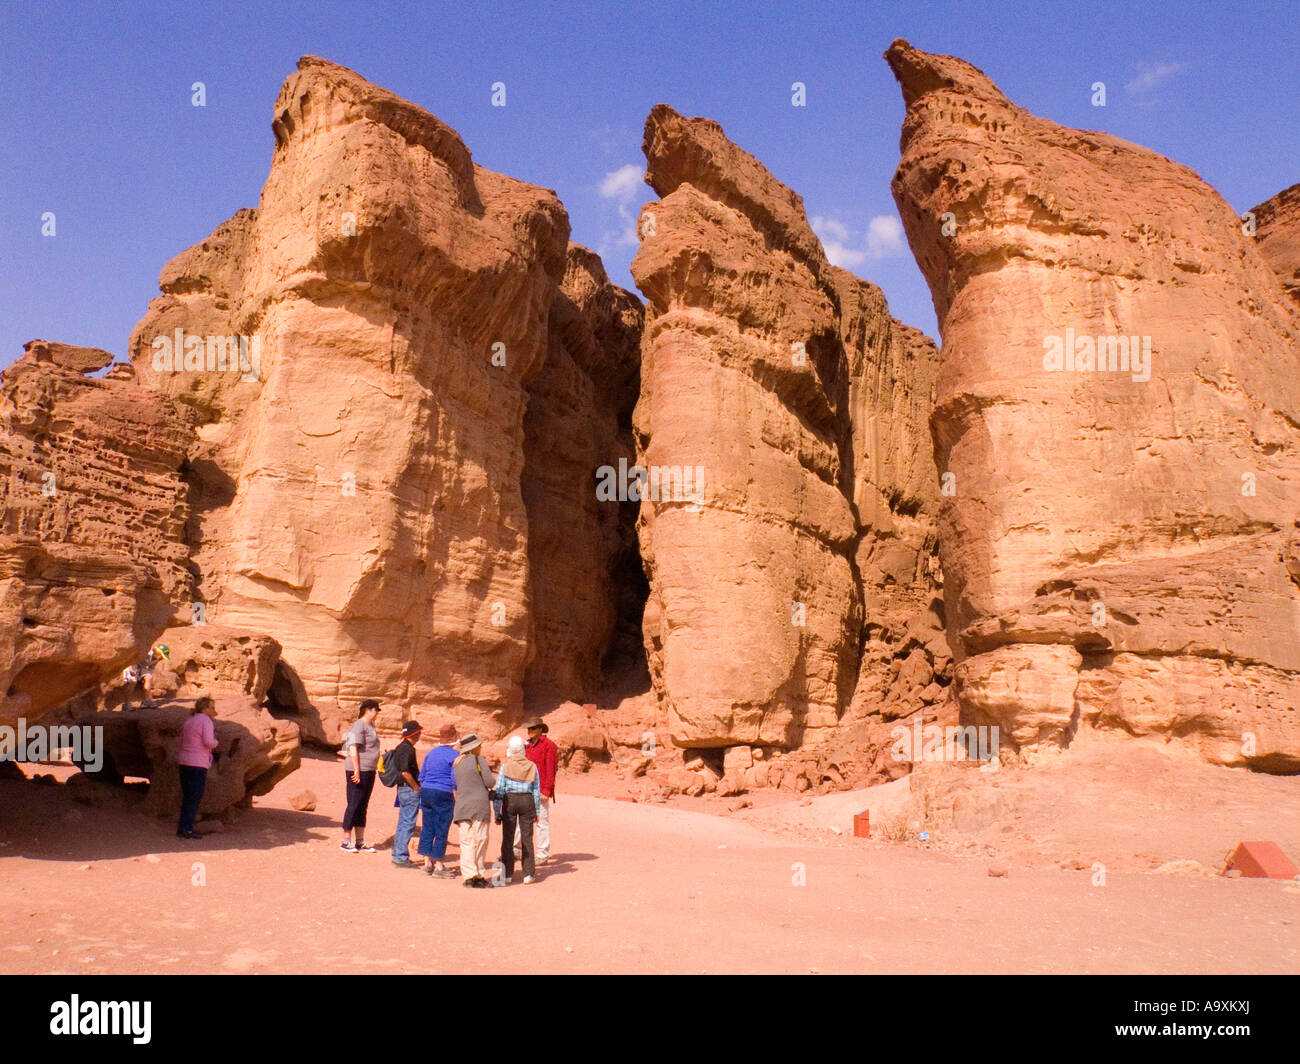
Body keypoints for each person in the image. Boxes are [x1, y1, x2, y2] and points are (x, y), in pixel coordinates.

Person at [494, 735, 541, 884]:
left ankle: (507, 874)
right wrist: (537, 811)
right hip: (527, 800)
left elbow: (499, 790)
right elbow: (536, 790)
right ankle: (528, 874)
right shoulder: (531, 766)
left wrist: (497, 812)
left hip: (510, 800)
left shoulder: (505, 766)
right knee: (527, 837)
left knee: (508, 838)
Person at [452, 733, 496, 888]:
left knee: (466, 842)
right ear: (475, 747)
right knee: (480, 840)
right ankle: (479, 875)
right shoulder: (479, 760)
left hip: (462, 806)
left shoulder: (457, 762)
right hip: (479, 806)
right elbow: (490, 781)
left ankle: (469, 876)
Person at [417, 724, 460, 878]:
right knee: (442, 827)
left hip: (426, 790)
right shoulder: (454, 755)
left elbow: (422, 775)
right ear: (453, 737)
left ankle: (427, 861)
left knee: (428, 826)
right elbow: (455, 779)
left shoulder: (431, 753)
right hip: (443, 791)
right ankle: (439, 865)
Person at [341, 700, 381, 852]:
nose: (377, 713)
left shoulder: (371, 726)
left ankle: (359, 840)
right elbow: (352, 747)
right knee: (354, 802)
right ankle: (346, 840)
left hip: (369, 770)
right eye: (376, 710)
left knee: (363, 804)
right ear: (368, 710)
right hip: (358, 770)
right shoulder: (359, 725)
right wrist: (356, 770)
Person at [176, 695, 218, 839]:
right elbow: (208, 741)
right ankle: (186, 829)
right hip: (197, 763)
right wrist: (216, 743)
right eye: (212, 707)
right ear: (205, 708)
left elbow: (181, 741)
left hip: (184, 761)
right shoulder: (205, 720)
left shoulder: (189, 720)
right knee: (194, 797)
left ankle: (183, 827)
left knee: (187, 796)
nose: (214, 711)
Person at [522, 717, 558, 864]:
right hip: (526, 788)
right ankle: (519, 850)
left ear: (540, 729)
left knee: (542, 822)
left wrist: (547, 790)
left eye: (533, 728)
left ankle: (542, 854)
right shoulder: (528, 745)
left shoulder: (549, 745)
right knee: (523, 821)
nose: (530, 731)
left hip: (540, 788)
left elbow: (551, 769)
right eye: (529, 729)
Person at [389, 721, 423, 868]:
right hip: (408, 789)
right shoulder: (407, 749)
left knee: (403, 822)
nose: (420, 735)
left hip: (403, 789)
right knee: (408, 822)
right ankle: (400, 857)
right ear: (414, 734)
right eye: (419, 732)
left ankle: (398, 854)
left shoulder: (402, 747)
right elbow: (405, 771)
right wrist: (415, 787)